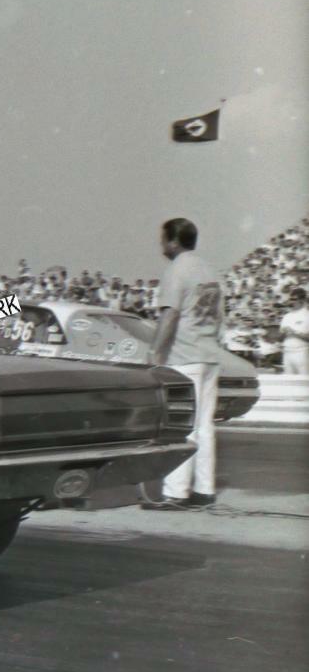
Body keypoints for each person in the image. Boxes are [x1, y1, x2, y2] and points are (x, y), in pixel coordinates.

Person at [143, 218, 224, 510]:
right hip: (209, 353)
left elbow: (170, 316)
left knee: (181, 426)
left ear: (174, 242)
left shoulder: (176, 270)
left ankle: (176, 492)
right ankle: (204, 489)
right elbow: (218, 316)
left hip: (185, 356)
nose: (161, 244)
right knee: (204, 425)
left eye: (163, 239)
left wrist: (155, 353)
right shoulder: (210, 271)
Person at [280, 287, 309, 374]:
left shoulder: (307, 315)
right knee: (289, 382)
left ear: (302, 300)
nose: (292, 301)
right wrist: (283, 333)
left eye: (294, 299)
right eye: (290, 299)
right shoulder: (287, 316)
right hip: (287, 352)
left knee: (304, 382)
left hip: (302, 352)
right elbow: (281, 337)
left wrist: (294, 333)